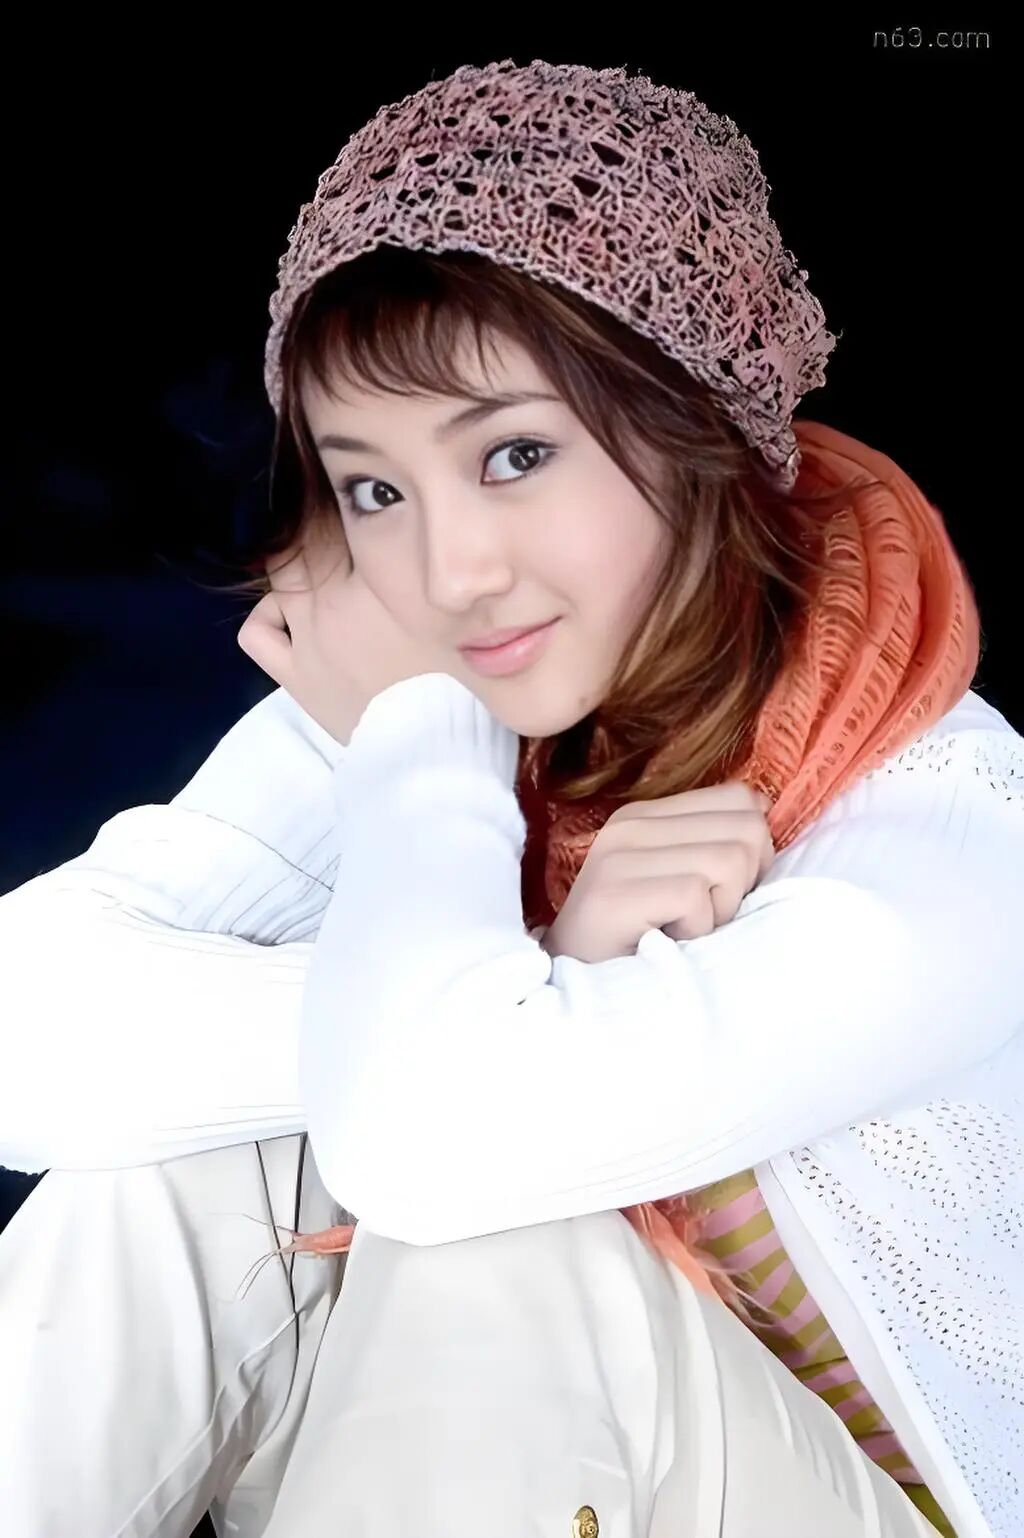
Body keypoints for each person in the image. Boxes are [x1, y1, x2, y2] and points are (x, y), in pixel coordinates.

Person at [1, 56, 1021, 1538]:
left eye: (515, 455)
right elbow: (24, 1042)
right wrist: (536, 971)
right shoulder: (446, 708)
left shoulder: (955, 826)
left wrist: (476, 995)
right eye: (374, 490)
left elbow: (433, 1136)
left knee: (501, 1224)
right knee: (171, 1174)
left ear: (698, 426)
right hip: (493, 1465)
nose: (449, 571)